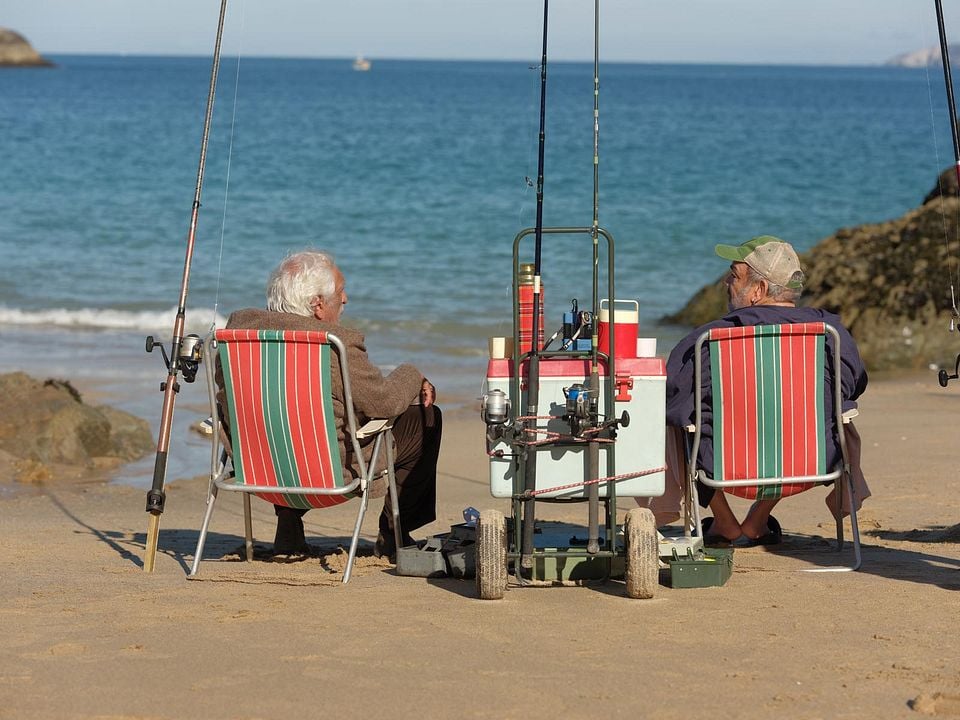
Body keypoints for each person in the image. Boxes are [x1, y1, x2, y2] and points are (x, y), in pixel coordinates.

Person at [216, 250, 441, 560]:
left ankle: (289, 528)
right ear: (318, 304)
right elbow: (386, 402)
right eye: (340, 290)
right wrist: (413, 375)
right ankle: (393, 533)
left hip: (258, 469)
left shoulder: (238, 334)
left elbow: (226, 399)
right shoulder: (334, 344)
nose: (346, 298)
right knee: (425, 420)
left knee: (278, 417)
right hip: (326, 474)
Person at [649, 235, 870, 546]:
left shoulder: (711, 340)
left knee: (677, 419)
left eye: (734, 275)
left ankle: (724, 522)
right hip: (812, 463)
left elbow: (672, 394)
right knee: (828, 410)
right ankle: (756, 521)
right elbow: (853, 385)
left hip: (722, 466)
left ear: (759, 290)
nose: (726, 282)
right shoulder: (829, 335)